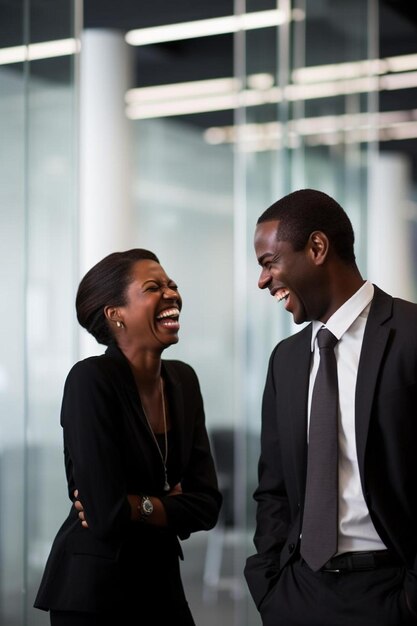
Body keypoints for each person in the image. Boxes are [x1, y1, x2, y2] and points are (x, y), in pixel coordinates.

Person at [244, 188, 417, 626]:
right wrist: (270, 585)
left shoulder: (412, 335)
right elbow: (274, 488)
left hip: (392, 595)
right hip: (297, 593)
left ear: (317, 248)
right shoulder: (285, 360)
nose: (263, 280)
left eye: (269, 262)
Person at [34, 248, 222, 626]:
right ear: (114, 313)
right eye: (153, 287)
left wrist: (136, 505)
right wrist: (165, 504)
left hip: (162, 581)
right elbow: (105, 515)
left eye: (172, 284)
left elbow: (207, 504)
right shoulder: (91, 381)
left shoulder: (184, 380)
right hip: (94, 591)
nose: (171, 293)